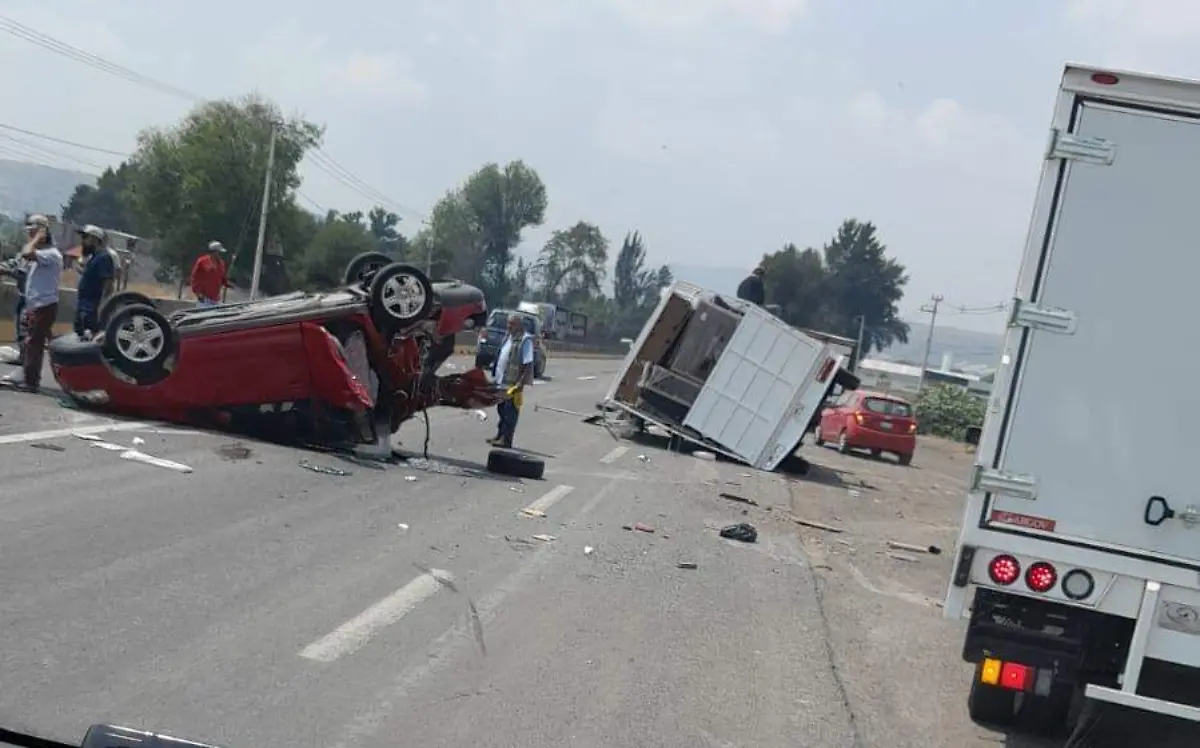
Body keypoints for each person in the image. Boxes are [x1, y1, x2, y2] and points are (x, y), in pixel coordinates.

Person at [3, 214, 62, 392]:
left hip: (44, 305)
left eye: (33, 232)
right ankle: (28, 376)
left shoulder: (52, 254)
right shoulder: (40, 254)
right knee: (30, 343)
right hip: (34, 304)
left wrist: (37, 238)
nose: (30, 236)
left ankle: (31, 382)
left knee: (33, 343)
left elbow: (27, 252)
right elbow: (19, 264)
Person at [487, 313, 535, 449]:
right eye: (508, 323)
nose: (509, 326)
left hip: (513, 384)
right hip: (501, 381)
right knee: (501, 410)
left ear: (519, 325)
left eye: (512, 324)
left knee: (510, 413)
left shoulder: (525, 341)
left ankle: (506, 440)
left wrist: (520, 383)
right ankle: (499, 435)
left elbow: (527, 364)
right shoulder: (508, 337)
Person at [74, 224, 115, 339]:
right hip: (84, 307)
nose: (82, 242)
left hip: (92, 310)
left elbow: (108, 286)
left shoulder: (104, 257)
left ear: (94, 239)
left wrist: (101, 310)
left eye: (85, 238)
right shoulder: (94, 257)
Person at [190, 240, 231, 307]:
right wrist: (197, 292)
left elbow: (222, 277)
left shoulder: (221, 263)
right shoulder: (202, 261)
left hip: (215, 298)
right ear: (214, 252)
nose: (220, 255)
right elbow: (194, 277)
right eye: (219, 252)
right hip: (204, 297)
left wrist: (227, 283)